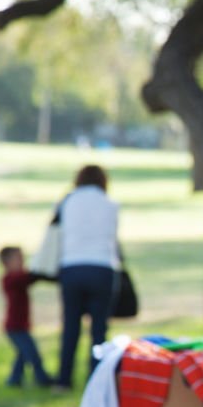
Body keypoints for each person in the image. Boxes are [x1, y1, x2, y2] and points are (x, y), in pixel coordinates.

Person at [55, 164, 120, 389]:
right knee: (99, 328)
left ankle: (64, 379)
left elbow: (56, 230)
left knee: (70, 326)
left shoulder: (68, 201)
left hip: (72, 267)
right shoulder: (110, 204)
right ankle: (96, 378)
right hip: (102, 268)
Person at [0, 246, 53, 388]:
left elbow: (31, 277)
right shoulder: (10, 279)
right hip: (15, 327)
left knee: (22, 354)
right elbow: (30, 277)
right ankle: (42, 378)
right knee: (32, 354)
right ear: (6, 263)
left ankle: (14, 380)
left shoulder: (18, 278)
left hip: (20, 325)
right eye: (19, 259)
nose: (23, 261)